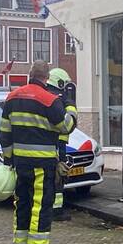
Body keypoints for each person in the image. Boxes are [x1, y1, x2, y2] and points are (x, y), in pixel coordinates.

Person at [0, 61, 74, 244]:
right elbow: (66, 126)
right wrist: (70, 107)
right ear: (46, 77)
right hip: (42, 165)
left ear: (30, 75)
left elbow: (4, 133)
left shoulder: (12, 98)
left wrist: (9, 160)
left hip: (20, 164)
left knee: (22, 206)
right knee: (40, 209)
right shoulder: (49, 100)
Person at [44, 67, 77, 222]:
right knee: (59, 176)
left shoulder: (42, 95)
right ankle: (57, 211)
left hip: (43, 144)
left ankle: (44, 208)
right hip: (60, 143)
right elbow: (72, 120)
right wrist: (69, 101)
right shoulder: (62, 99)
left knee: (45, 176)